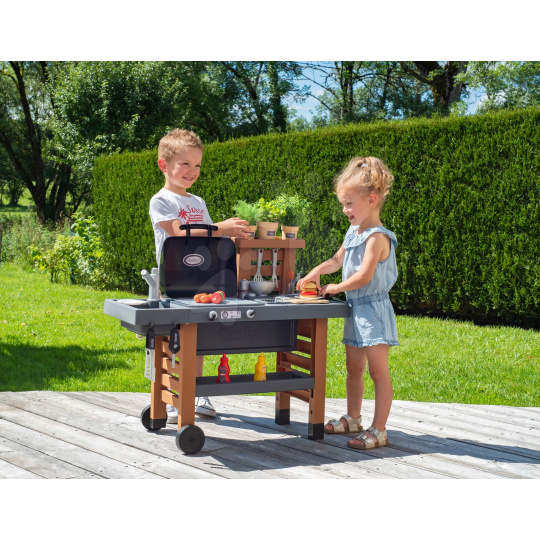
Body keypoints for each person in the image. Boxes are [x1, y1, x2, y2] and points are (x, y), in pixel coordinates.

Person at [297, 156, 398, 450]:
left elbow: (364, 276)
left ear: (372, 199)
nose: (345, 210)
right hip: (355, 309)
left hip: (374, 310)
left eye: (349, 204)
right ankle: (353, 419)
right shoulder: (354, 232)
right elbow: (337, 260)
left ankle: (379, 430)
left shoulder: (377, 238)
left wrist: (335, 288)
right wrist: (316, 272)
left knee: (378, 372)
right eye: (343, 204)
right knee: (353, 368)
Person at [149, 128, 251, 421]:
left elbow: (209, 240)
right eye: (185, 164)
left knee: (197, 341)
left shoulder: (198, 202)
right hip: (174, 281)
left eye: (197, 165)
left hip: (203, 281)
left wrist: (231, 237)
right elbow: (177, 232)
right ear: (164, 164)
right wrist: (221, 227)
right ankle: (173, 395)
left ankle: (195, 391)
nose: (192, 171)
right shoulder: (161, 200)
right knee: (174, 341)